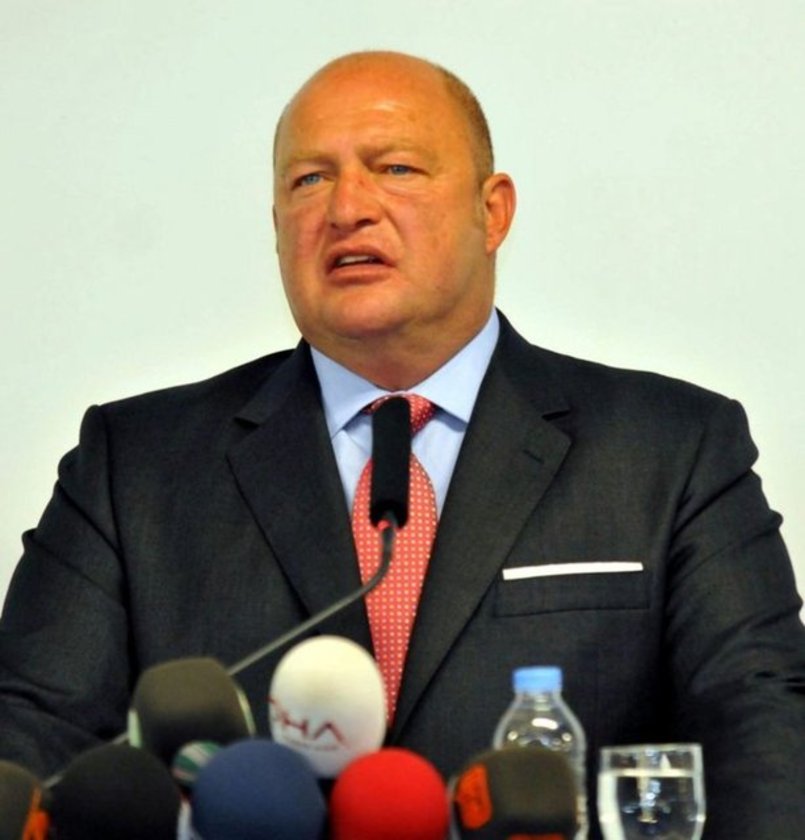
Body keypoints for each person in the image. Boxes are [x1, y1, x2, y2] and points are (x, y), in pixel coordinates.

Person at [1, 51, 804, 837]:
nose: (346, 207)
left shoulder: (667, 449)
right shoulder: (135, 466)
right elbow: (29, 739)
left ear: (492, 212)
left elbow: (764, 730)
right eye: (308, 180)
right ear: (276, 229)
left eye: (395, 169)